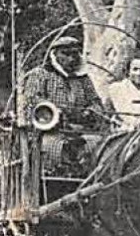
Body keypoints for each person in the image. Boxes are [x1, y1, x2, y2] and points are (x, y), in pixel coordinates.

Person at [17, 35, 108, 173]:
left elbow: (95, 101)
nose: (71, 58)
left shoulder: (83, 79)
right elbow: (32, 100)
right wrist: (53, 111)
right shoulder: (41, 74)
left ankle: (89, 176)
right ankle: (52, 179)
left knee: (99, 144)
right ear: (55, 54)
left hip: (80, 130)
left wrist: (91, 111)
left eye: (75, 54)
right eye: (66, 54)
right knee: (51, 147)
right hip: (50, 131)